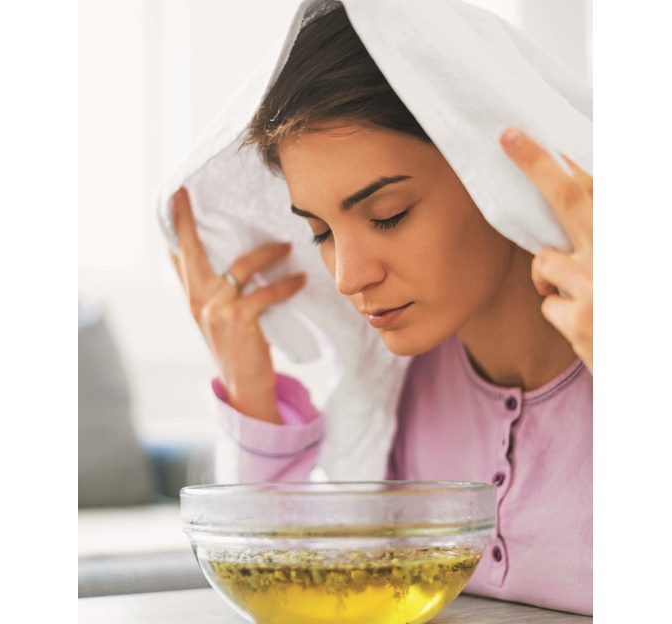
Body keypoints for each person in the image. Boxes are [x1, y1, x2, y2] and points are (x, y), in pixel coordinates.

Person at [169, 5, 592, 616]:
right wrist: (251, 388)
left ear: (493, 177)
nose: (348, 277)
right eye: (320, 231)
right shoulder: (398, 400)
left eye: (387, 215)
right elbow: (291, 583)